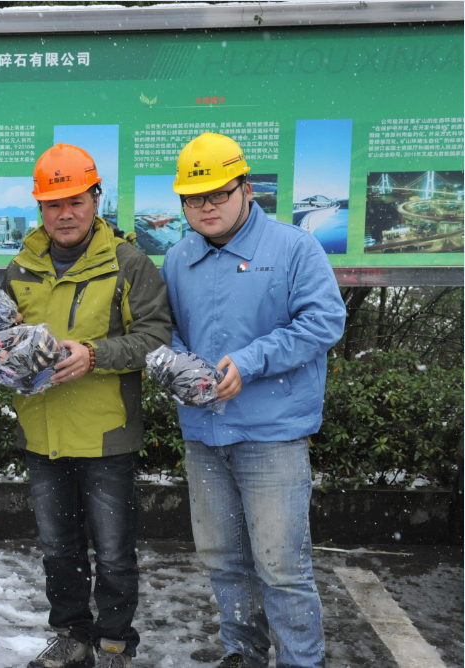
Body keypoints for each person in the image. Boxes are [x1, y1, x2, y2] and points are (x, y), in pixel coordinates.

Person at [160, 133, 346, 668]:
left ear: (246, 188)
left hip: (272, 436)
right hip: (204, 435)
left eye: (219, 193)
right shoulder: (178, 257)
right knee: (223, 559)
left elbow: (324, 321)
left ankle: (300, 661)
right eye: (194, 198)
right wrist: (178, 365)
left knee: (281, 566)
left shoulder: (293, 247)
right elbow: (166, 330)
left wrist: (251, 361)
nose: (206, 207)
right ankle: (242, 651)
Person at [0, 144, 171, 668]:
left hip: (106, 433)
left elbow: (155, 338)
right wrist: (4, 351)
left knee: (114, 551)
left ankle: (115, 640)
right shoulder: (21, 268)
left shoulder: (128, 263)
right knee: (58, 549)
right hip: (43, 432)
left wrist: (94, 355)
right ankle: (72, 635)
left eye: (76, 201)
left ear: (96, 199)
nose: (65, 214)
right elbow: (4, 338)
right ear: (40, 208)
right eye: (53, 204)